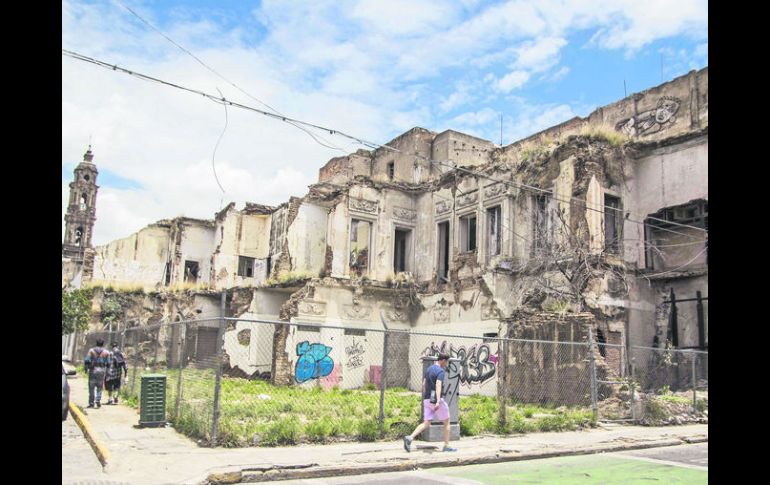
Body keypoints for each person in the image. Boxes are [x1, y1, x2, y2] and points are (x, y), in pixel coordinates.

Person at [403, 353, 456, 452]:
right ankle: (446, 446)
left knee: (426, 423)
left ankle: (410, 438)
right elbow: (438, 385)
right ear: (443, 360)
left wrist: (427, 396)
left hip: (427, 399)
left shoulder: (429, 369)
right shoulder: (440, 371)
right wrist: (437, 401)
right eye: (447, 361)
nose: (446, 364)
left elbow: (424, 384)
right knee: (447, 421)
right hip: (436, 400)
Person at [84, 338, 111, 408]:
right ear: (103, 344)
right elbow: (108, 364)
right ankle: (98, 400)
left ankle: (91, 403)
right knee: (100, 386)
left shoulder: (91, 351)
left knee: (91, 387)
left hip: (93, 371)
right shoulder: (106, 352)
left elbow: (87, 360)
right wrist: (108, 373)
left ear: (96, 343)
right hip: (101, 371)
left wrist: (86, 369)